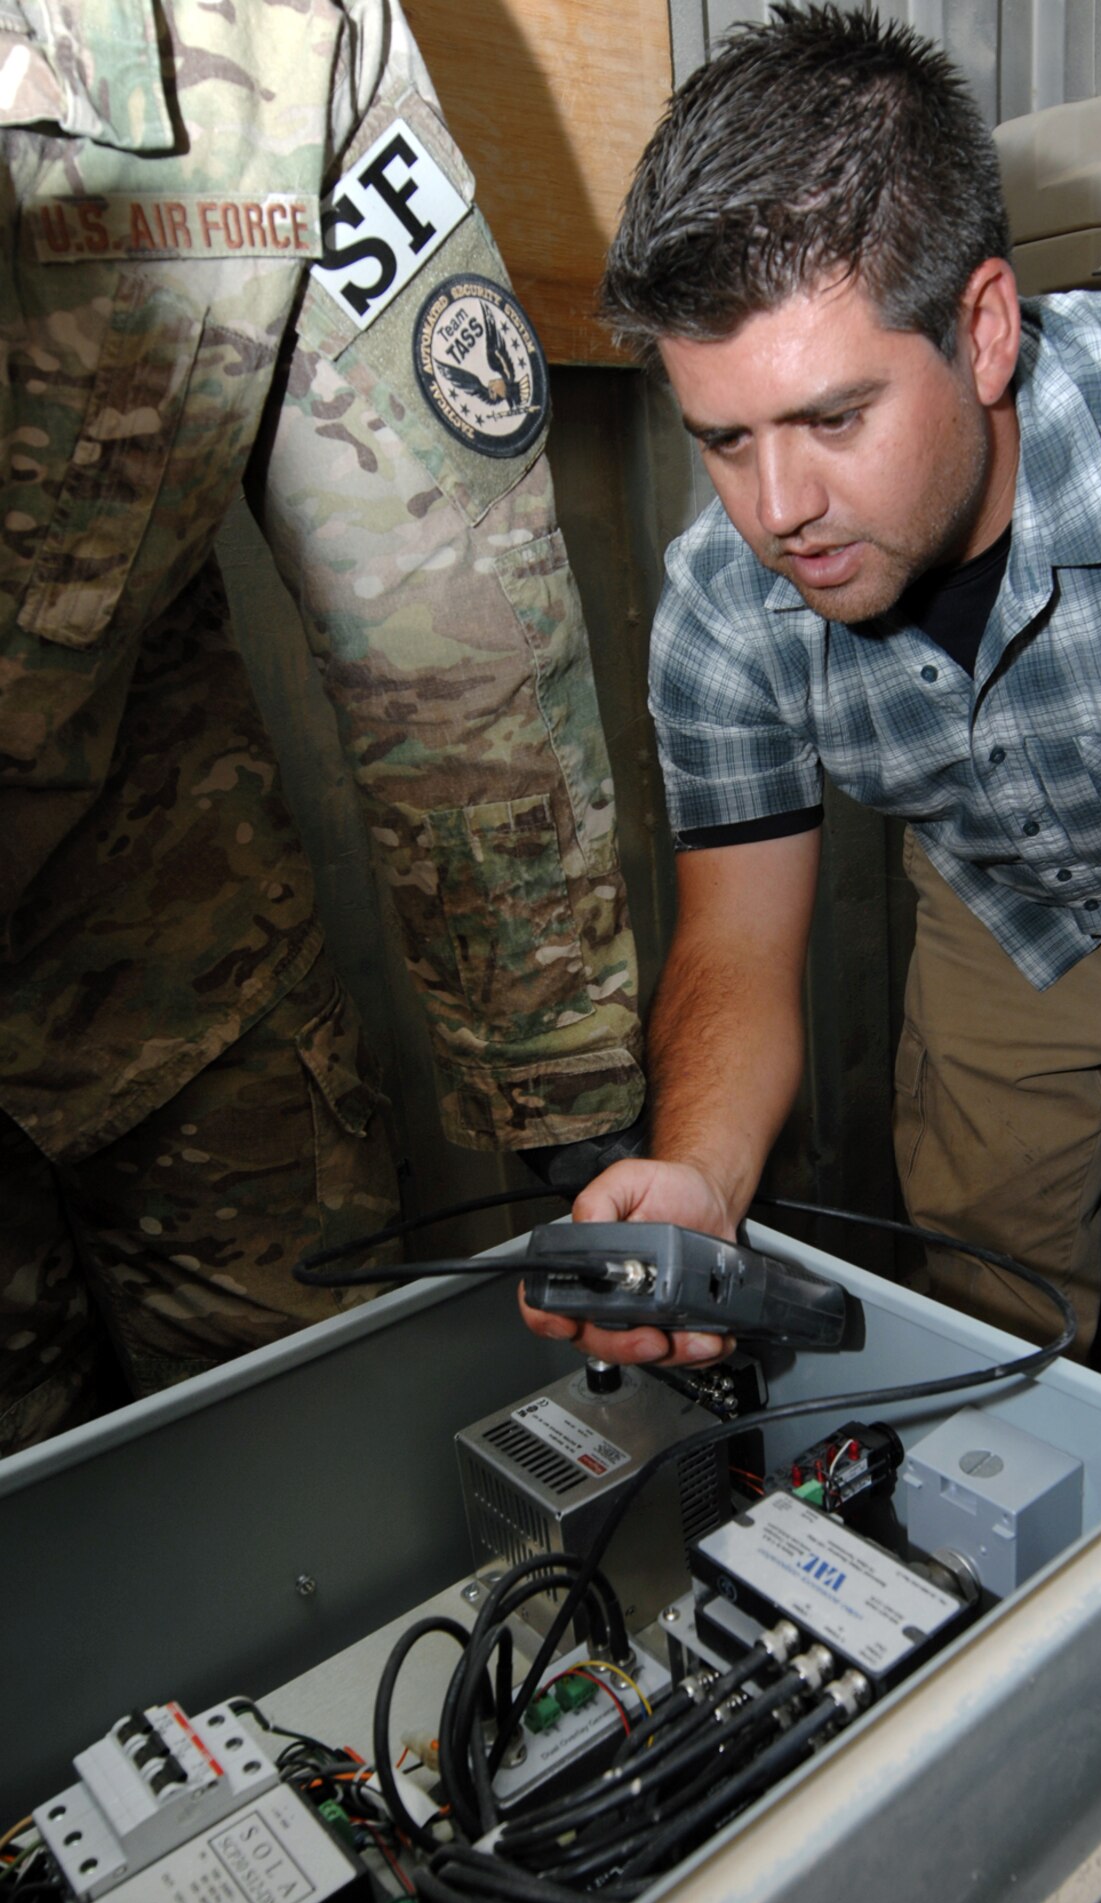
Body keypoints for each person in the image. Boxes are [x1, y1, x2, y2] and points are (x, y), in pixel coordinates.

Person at [522, 3, 1101, 1452]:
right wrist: (695, 1169)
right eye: (723, 438)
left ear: (985, 329)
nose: (777, 514)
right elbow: (741, 944)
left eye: (832, 418)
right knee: (983, 1310)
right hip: (1002, 916)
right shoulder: (721, 608)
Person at [0, 0, 643, 1450]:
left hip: (168, 932)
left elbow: (441, 584)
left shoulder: (284, 36)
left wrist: (562, 1099)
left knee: (310, 1470)